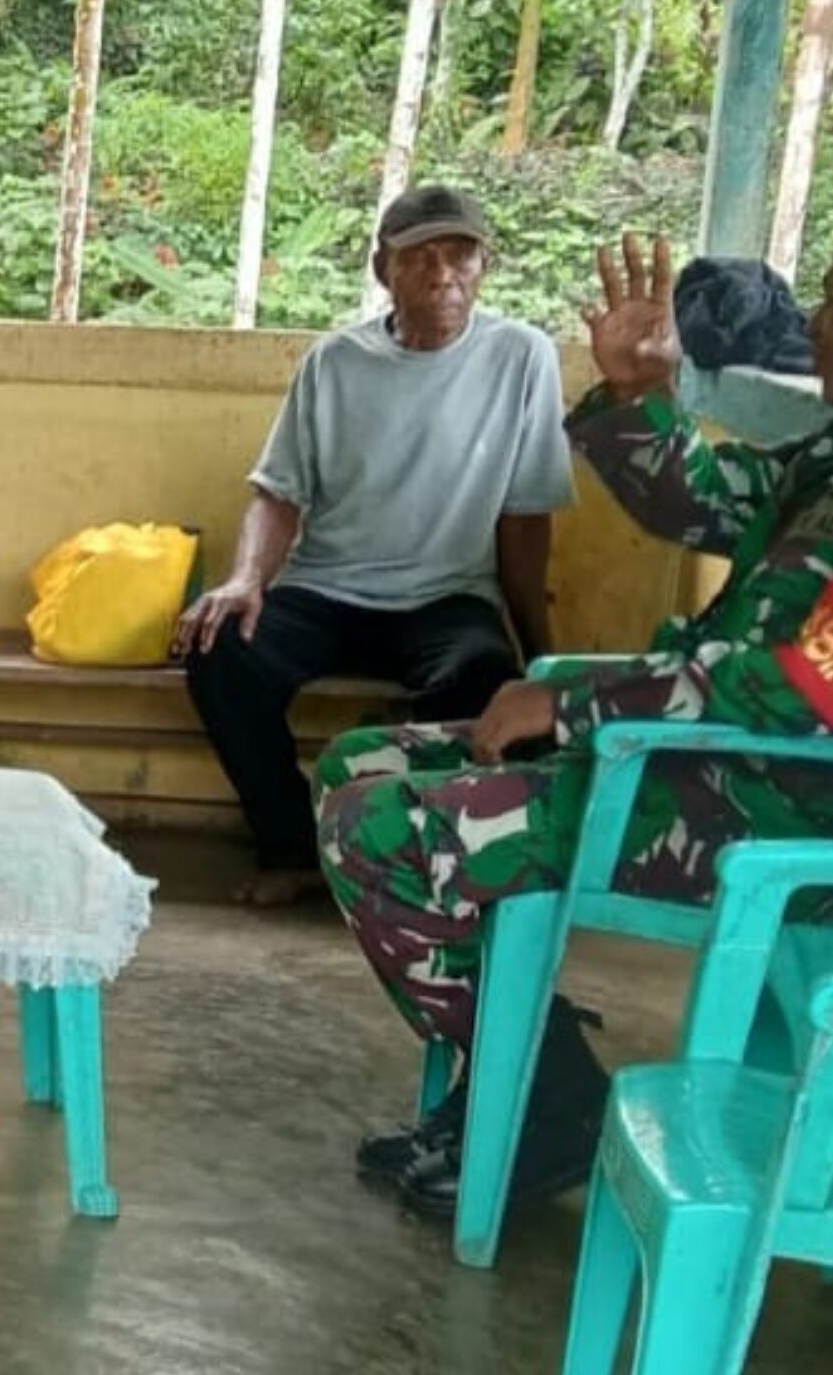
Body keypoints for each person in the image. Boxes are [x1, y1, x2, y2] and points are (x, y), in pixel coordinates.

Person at [319, 197, 833, 1222]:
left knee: (378, 830)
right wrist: (639, 392)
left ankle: (543, 1103)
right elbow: (706, 501)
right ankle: (519, 1085)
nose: (812, 324)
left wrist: (570, 704)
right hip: (686, 761)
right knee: (358, 767)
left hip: (769, 810)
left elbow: (797, 691)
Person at [177, 184, 572, 907]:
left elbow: (524, 516)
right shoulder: (334, 362)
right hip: (326, 589)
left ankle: (396, 854)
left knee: (482, 676)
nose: (443, 274)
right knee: (219, 649)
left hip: (447, 598)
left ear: (485, 266)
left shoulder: (522, 356)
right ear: (381, 268)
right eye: (419, 256)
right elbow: (279, 493)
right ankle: (293, 848)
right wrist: (245, 580)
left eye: (462, 255)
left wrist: (538, 651)